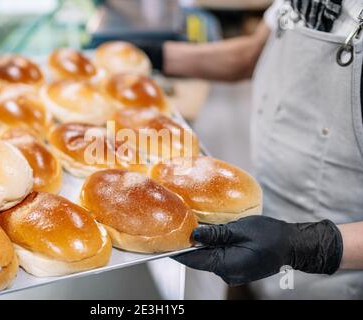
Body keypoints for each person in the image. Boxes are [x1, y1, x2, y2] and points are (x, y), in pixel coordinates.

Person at [142, 0, 363, 299]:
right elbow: (249, 54)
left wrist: (300, 246)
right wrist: (152, 56)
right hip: (259, 228)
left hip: (334, 274)